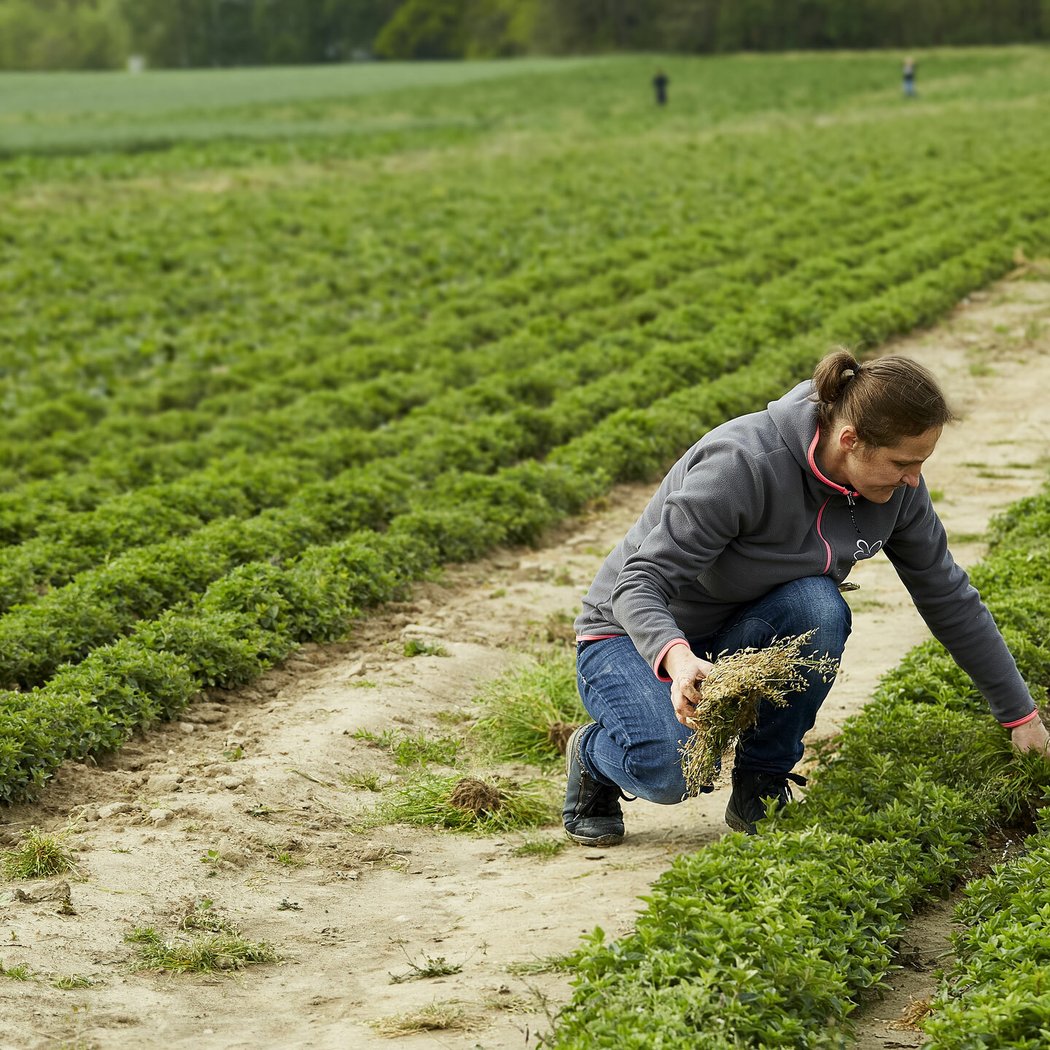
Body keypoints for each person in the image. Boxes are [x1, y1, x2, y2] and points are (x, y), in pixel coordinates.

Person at [564, 349, 1050, 845]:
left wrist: (1020, 716)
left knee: (819, 606)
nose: (914, 479)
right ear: (850, 440)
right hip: (629, 635)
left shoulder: (897, 492)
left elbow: (948, 595)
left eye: (921, 462)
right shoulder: (743, 463)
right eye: (903, 463)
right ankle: (594, 757)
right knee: (673, 770)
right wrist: (679, 658)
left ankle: (762, 778)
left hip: (736, 630)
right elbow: (638, 581)